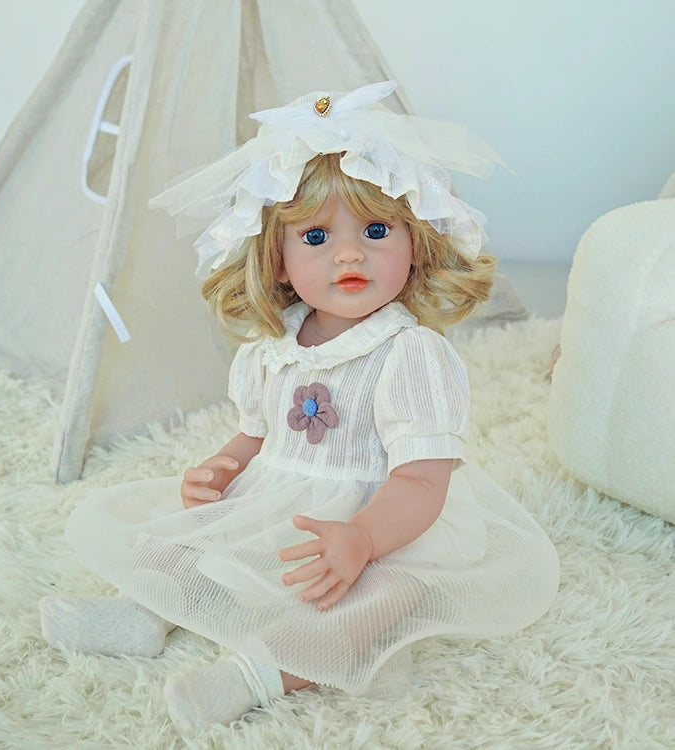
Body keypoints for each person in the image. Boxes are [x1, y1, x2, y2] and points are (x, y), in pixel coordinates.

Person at [40, 81, 559, 733]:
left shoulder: (409, 353)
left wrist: (366, 538)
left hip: (383, 517)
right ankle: (144, 613)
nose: (348, 253)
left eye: (375, 230)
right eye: (315, 237)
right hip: (280, 496)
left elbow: (424, 477)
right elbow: (252, 436)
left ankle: (256, 674)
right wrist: (222, 468)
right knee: (191, 537)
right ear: (279, 262)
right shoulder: (271, 349)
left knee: (378, 599)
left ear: (415, 243)